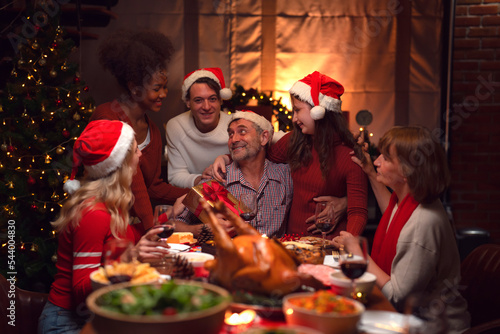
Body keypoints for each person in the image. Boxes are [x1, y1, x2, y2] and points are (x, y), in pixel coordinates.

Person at [38, 120, 172, 334]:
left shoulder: (110, 204)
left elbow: (121, 236)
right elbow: (81, 289)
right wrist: (130, 257)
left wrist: (167, 216)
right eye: (136, 150)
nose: (140, 156)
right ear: (122, 163)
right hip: (67, 323)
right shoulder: (94, 214)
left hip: (92, 316)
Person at [334, 126, 470, 333]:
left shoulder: (423, 222)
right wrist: (371, 172)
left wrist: (359, 254)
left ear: (408, 170)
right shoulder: (415, 200)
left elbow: (397, 298)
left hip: (433, 327)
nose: (377, 161)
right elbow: (394, 215)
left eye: (386, 158)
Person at [213, 71, 367, 239]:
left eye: (298, 110)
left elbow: (358, 211)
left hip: (327, 242)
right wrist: (227, 157)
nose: (294, 119)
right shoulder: (294, 141)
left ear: (319, 111)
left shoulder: (349, 155)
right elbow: (259, 155)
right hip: (293, 244)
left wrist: (347, 239)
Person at [90, 30, 189, 236]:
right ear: (134, 89)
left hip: (130, 226)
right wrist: (151, 229)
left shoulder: (153, 130)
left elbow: (153, 187)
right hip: (101, 222)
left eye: (164, 87)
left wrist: (195, 193)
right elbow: (134, 183)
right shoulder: (107, 116)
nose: (163, 94)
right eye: (156, 88)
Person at [174, 110, 293, 238]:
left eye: (242, 131)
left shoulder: (285, 176)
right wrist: (203, 229)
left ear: (264, 137)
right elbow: (174, 225)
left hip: (275, 255)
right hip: (231, 256)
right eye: (230, 134)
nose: (234, 139)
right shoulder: (216, 180)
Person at [166, 68, 286, 188]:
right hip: (198, 192)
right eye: (198, 100)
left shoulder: (235, 124)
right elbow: (175, 176)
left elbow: (278, 137)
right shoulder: (176, 126)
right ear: (188, 102)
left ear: (220, 100)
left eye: (212, 99)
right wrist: (203, 180)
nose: (206, 107)